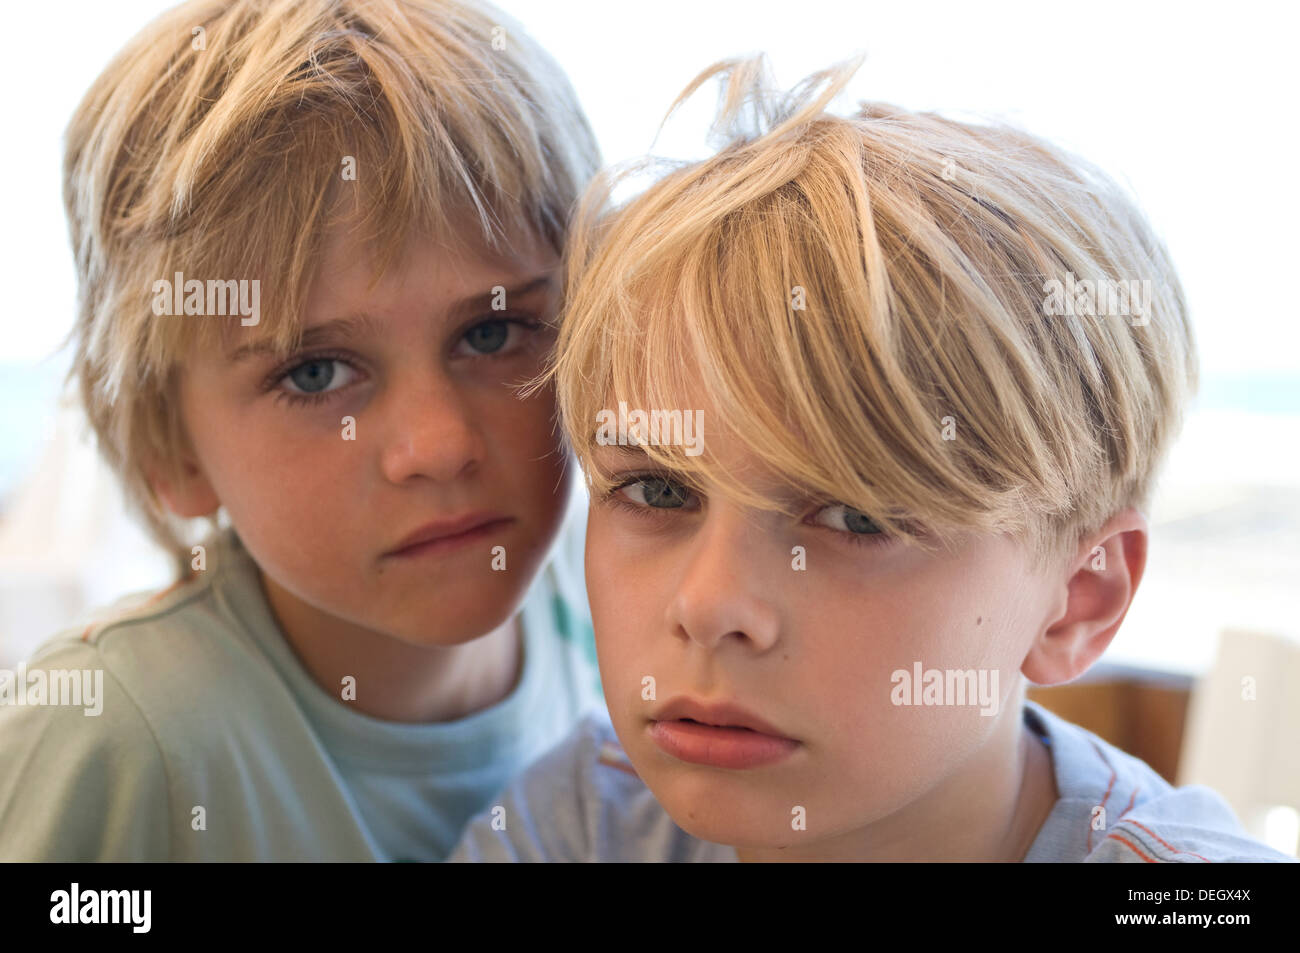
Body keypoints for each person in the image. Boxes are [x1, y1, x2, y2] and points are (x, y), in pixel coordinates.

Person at [450, 54, 1296, 862]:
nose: (709, 606)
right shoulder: (580, 824)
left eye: (857, 515)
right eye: (658, 488)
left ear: (1078, 598)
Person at [0, 0, 604, 861]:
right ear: (170, 445)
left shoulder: (623, 622)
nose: (437, 445)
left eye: (492, 332)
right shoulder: (118, 736)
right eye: (315, 373)